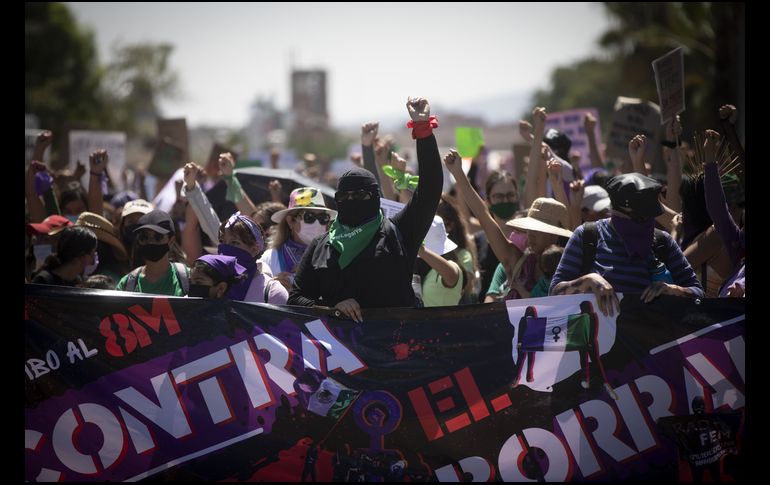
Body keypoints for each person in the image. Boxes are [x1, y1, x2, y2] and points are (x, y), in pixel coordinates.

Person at [287, 97, 443, 322]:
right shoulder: (321, 246)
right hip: (339, 353)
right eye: (344, 196)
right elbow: (296, 299)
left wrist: (423, 128)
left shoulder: (398, 233)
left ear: (375, 197)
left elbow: (429, 190)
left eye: (360, 195)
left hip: (394, 350)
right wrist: (332, 308)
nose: (351, 200)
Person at [550, 173, 704, 316]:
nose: (646, 225)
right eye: (639, 219)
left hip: (652, 342)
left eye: (650, 218)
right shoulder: (587, 236)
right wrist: (588, 281)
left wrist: (672, 290)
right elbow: (554, 293)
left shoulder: (662, 242)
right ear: (617, 214)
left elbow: (699, 293)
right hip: (599, 342)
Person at [261, 187, 337, 291]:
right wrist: (271, 287)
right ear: (291, 221)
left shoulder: (333, 257)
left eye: (323, 218)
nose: (317, 223)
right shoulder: (270, 257)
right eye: (309, 217)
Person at [116, 209, 190, 296]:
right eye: (144, 237)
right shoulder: (126, 285)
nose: (150, 242)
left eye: (158, 237)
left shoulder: (188, 279)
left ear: (171, 241)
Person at [31, 226, 98, 287]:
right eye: (92, 252)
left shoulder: (78, 281)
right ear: (82, 255)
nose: (94, 257)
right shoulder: (43, 281)